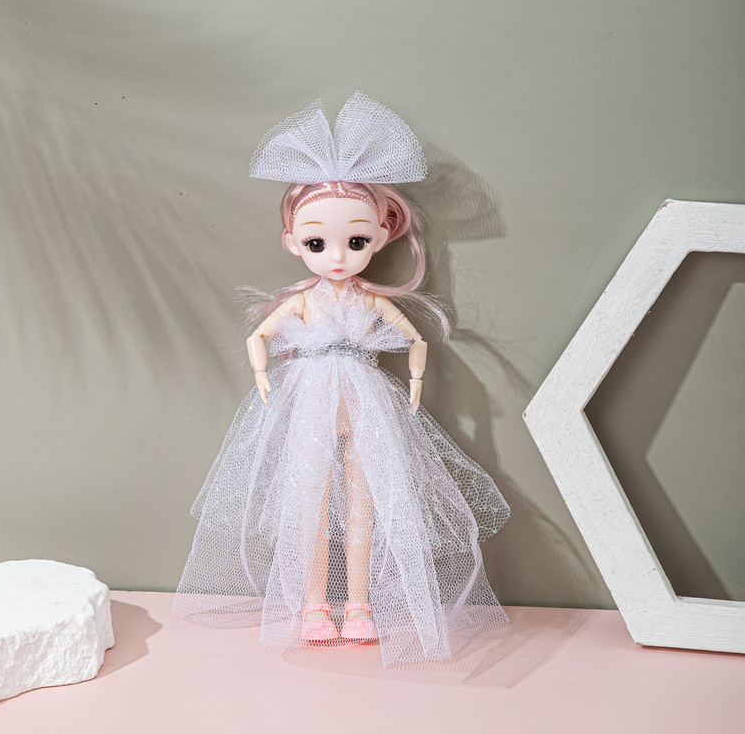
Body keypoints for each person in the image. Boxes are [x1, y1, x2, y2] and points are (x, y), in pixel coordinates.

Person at [173, 93, 509, 667]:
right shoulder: (305, 302)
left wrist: (415, 387)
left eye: (355, 241)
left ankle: (358, 604)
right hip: (310, 407)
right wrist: (263, 378)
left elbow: (416, 339)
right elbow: (259, 337)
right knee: (308, 504)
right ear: (292, 242)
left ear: (380, 235)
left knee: (364, 508)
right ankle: (313, 605)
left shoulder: (369, 300)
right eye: (316, 242)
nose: (337, 256)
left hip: (365, 408)